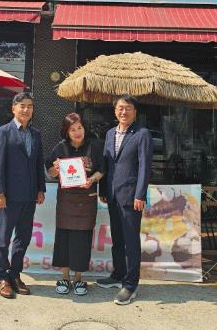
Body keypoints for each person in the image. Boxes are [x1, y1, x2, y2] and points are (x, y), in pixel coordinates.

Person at [97, 94, 153, 305]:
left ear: (135, 112)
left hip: (131, 196)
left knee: (130, 241)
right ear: (115, 111)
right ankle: (118, 274)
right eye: (120, 108)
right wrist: (104, 189)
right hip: (113, 194)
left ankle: (130, 284)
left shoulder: (142, 134)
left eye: (128, 108)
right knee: (117, 239)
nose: (124, 112)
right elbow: (106, 163)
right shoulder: (110, 133)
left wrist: (140, 194)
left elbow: (145, 166)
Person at [0, 92, 46, 299]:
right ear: (13, 108)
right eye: (22, 106)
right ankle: (2, 278)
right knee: (3, 239)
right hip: (9, 196)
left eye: (30, 106)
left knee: (23, 239)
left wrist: (41, 189)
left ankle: (15, 275)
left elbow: (38, 163)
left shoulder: (36, 134)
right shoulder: (3, 132)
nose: (26, 110)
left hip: (29, 196)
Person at [46, 113, 104, 296]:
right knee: (63, 237)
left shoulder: (94, 146)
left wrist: (92, 179)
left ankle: (79, 278)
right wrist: (55, 170)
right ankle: (64, 277)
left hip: (86, 199)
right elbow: (49, 170)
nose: (77, 132)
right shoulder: (60, 148)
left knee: (82, 239)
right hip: (66, 200)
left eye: (80, 128)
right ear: (66, 131)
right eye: (72, 130)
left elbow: (102, 169)